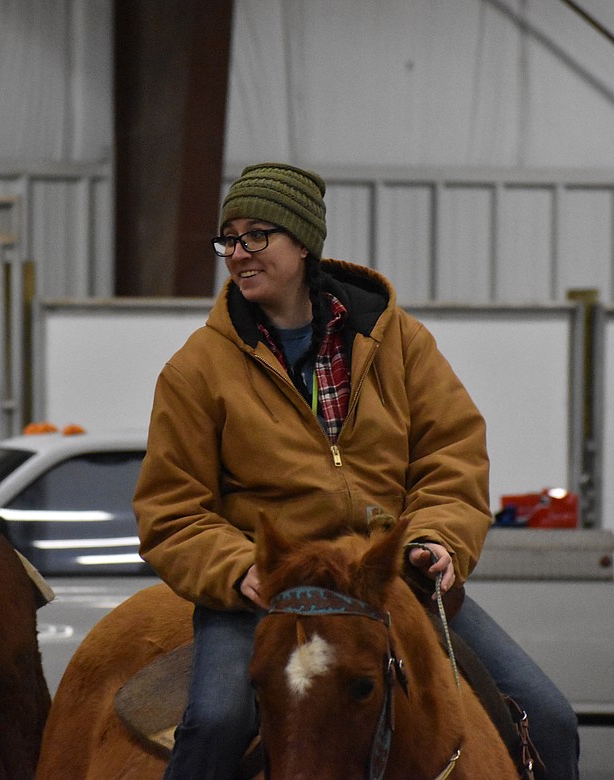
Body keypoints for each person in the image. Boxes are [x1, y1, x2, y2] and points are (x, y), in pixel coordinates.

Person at [133, 162, 579, 780]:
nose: (237, 253)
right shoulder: (196, 369)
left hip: (387, 582)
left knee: (550, 719)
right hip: (269, 592)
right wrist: (239, 570)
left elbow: (451, 456)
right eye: (229, 239)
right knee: (215, 722)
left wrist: (435, 541)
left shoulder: (399, 342)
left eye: (257, 235)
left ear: (304, 242)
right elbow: (171, 511)